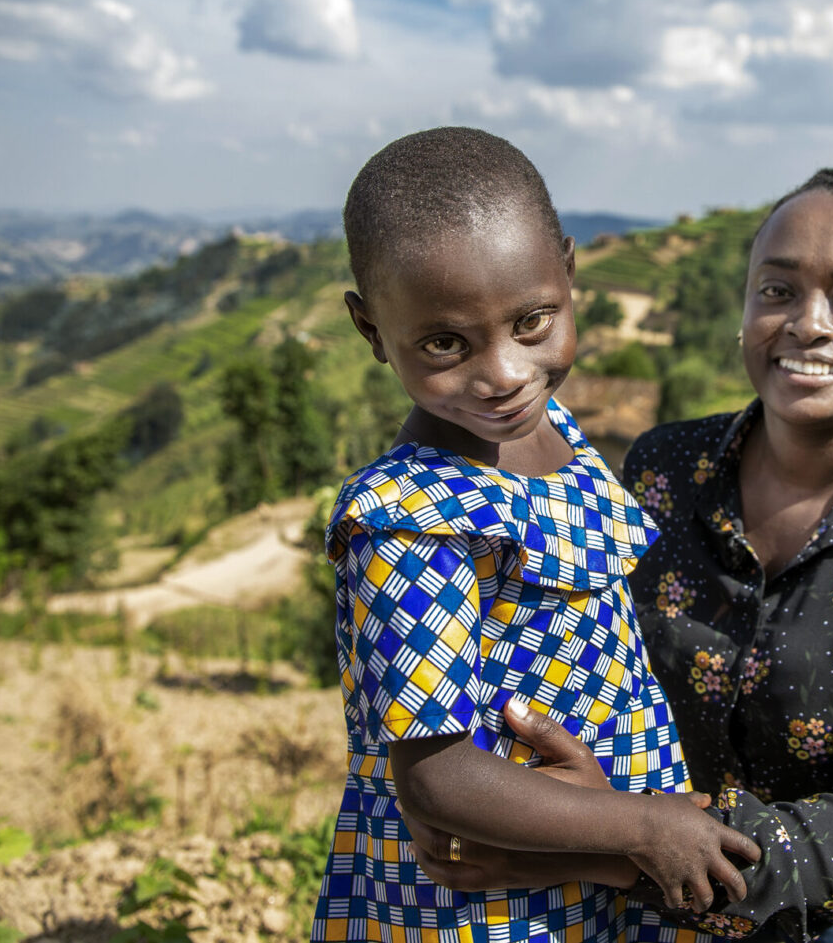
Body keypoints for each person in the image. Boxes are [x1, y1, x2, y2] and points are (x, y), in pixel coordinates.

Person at [408, 169, 833, 943]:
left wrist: (622, 850)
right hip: (665, 864)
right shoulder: (664, 472)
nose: (806, 324)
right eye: (777, 291)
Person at [311, 127, 759, 943]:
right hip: (498, 897)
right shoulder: (411, 518)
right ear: (372, 329)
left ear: (569, 272)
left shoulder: (548, 426)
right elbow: (439, 778)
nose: (504, 373)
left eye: (532, 322)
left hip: (596, 858)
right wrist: (641, 830)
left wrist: (630, 832)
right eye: (446, 343)